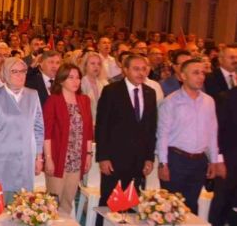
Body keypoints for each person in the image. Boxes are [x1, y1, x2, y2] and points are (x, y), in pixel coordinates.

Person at [95, 55, 158, 226]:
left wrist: (149, 157)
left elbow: (151, 129)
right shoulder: (112, 91)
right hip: (114, 159)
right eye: (136, 69)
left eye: (144, 69)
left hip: (137, 161)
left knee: (129, 206)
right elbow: (102, 127)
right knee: (110, 203)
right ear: (125, 70)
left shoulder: (150, 93)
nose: (141, 73)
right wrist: (103, 157)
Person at [157, 58, 220, 214]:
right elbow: (162, 134)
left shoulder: (209, 101)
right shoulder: (170, 101)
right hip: (175, 160)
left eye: (202, 73)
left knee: (191, 208)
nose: (201, 77)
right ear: (183, 76)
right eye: (195, 73)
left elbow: (212, 132)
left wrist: (213, 160)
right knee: (169, 209)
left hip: (199, 162)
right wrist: (163, 163)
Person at [0, 56, 43, 202]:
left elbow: (38, 127)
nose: (20, 75)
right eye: (15, 71)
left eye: (23, 71)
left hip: (25, 160)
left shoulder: (33, 95)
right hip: (0, 160)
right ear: (5, 74)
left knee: (22, 209)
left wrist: (39, 157)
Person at [42, 63, 93, 214]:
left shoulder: (84, 100)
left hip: (77, 158)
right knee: (52, 204)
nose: (75, 81)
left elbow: (88, 131)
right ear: (61, 80)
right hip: (58, 158)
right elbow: (47, 133)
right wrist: (48, 158)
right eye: (71, 77)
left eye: (78, 77)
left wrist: (89, 155)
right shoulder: (54, 100)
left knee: (68, 202)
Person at [209, 84, 237, 225]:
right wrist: (218, 159)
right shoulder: (224, 98)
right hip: (228, 160)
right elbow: (216, 131)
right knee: (222, 201)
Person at [80, 51, 109, 122]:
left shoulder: (105, 83)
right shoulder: (80, 83)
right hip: (87, 122)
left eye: (99, 64)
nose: (96, 66)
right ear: (85, 65)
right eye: (92, 63)